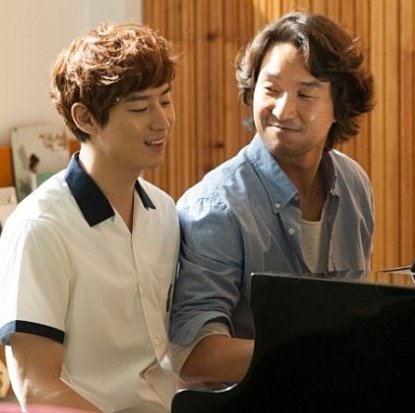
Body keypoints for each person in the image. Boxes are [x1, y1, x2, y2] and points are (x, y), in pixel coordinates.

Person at [169, 11, 375, 388]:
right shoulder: (215, 205)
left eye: (305, 94)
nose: (283, 110)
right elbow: (194, 356)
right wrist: (317, 351)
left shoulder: (354, 185)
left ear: (339, 105)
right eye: (271, 89)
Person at [0, 22, 179, 412]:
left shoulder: (164, 211)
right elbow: (36, 387)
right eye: (140, 108)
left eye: (165, 100)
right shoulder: (40, 228)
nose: (162, 120)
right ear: (85, 118)